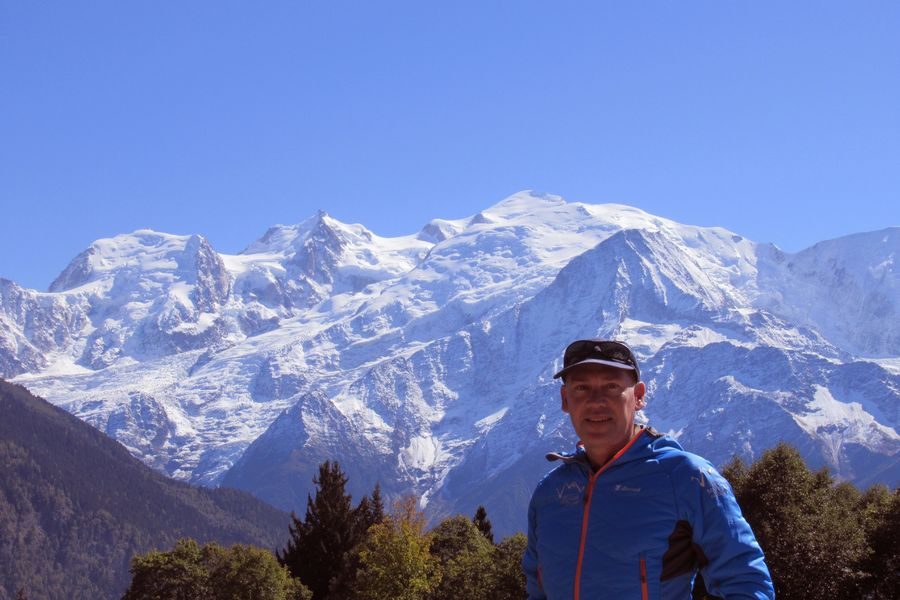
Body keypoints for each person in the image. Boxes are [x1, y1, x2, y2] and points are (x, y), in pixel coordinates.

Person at [522, 339, 774, 599]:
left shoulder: (685, 477)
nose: (596, 401)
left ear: (639, 396)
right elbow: (536, 590)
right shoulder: (550, 492)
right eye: (581, 388)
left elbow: (746, 581)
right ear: (565, 399)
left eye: (611, 386)